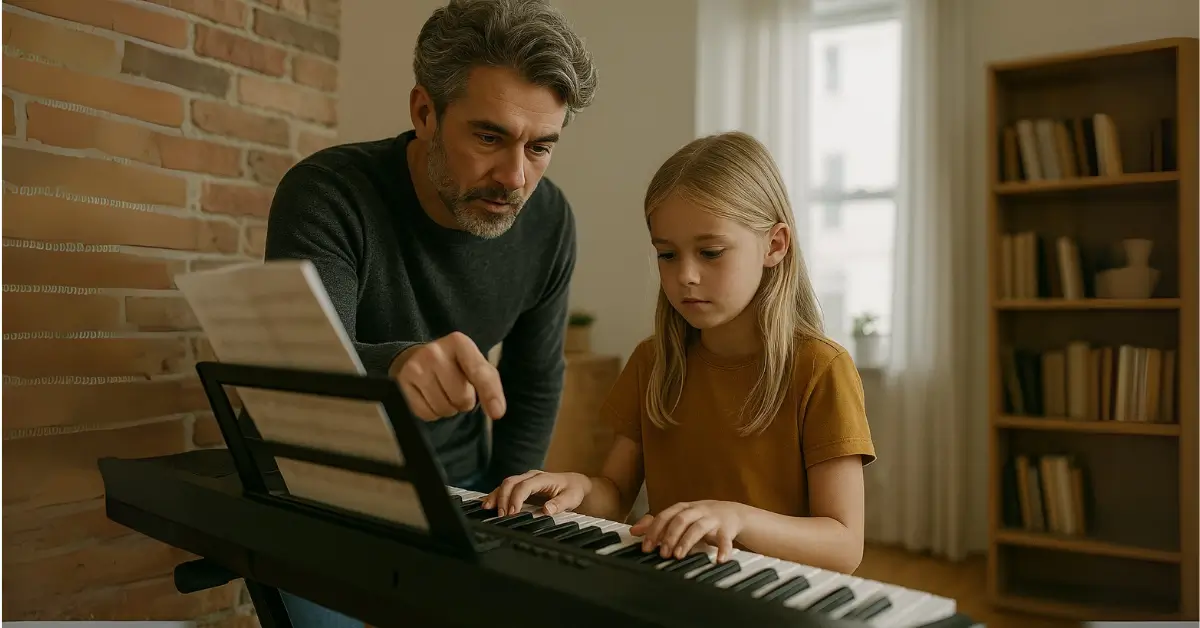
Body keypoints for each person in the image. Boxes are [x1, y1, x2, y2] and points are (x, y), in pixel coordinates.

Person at [261, 0, 597, 625]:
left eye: (541, 147)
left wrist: (508, 512)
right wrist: (395, 367)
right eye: (490, 137)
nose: (515, 177)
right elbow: (296, 372)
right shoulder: (329, 194)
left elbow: (535, 379)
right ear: (424, 112)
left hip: (462, 492)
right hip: (326, 496)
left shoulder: (550, 221)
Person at [483, 131, 877, 574]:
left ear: (775, 245)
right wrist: (576, 488)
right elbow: (614, 494)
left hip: (776, 599)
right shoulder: (653, 362)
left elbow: (844, 546)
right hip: (679, 588)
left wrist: (737, 519)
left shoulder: (821, 369)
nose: (685, 275)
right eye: (667, 255)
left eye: (710, 252)